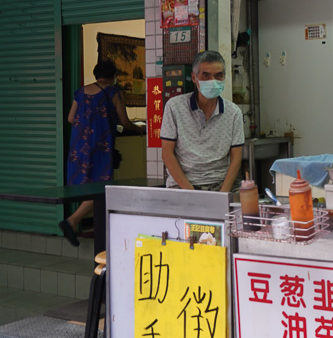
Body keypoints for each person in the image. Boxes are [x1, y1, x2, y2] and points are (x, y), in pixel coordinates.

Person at [60, 59, 144, 246]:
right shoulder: (113, 92)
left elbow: (71, 118)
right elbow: (124, 121)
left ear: (96, 74)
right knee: (102, 187)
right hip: (100, 148)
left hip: (79, 147)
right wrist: (138, 129)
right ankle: (74, 220)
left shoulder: (81, 92)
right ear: (113, 76)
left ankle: (82, 223)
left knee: (87, 186)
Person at [161, 50, 245, 192]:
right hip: (183, 186)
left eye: (218, 75)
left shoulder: (233, 112)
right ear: (194, 78)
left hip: (220, 184)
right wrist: (190, 192)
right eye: (206, 75)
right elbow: (167, 154)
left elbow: (236, 157)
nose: (213, 81)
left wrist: (222, 193)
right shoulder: (174, 107)